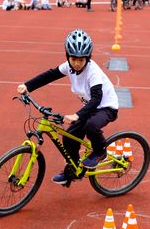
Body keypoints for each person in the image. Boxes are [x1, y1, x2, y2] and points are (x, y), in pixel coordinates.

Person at [16, 29, 119, 184]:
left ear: (88, 58)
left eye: (81, 60)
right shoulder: (68, 66)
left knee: (91, 126)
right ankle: (73, 170)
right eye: (73, 59)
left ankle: (100, 151)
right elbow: (49, 75)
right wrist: (27, 86)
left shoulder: (93, 72)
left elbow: (97, 99)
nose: (77, 63)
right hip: (89, 109)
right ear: (68, 56)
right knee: (69, 137)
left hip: (105, 107)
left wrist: (77, 115)